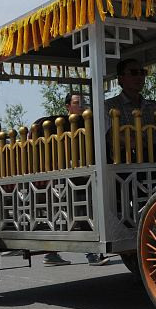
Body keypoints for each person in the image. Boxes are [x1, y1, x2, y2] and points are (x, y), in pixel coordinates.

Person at [41, 91, 110, 267]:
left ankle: (53, 253)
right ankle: (90, 254)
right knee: (77, 214)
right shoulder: (59, 124)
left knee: (85, 213)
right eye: (77, 102)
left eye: (84, 102)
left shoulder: (91, 122)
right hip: (66, 176)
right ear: (67, 106)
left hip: (87, 173)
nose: (82, 105)